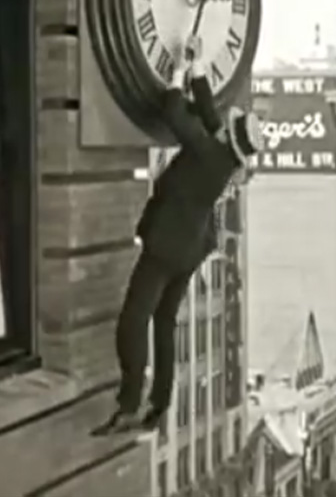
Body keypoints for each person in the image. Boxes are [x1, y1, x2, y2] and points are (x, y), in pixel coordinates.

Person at [93, 35, 264, 435]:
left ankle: (130, 403)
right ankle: (160, 403)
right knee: (164, 320)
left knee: (133, 319)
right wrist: (198, 63)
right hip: (192, 245)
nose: (224, 121)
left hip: (168, 244)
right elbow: (207, 112)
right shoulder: (222, 153)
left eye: (229, 123)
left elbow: (173, 109)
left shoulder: (207, 151)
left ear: (229, 137)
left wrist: (178, 72)